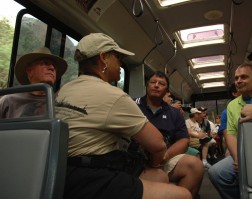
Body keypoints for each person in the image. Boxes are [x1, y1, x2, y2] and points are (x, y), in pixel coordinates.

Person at [55, 33, 192, 199]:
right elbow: (158, 145)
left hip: (61, 171)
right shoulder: (113, 95)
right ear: (103, 57)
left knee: (160, 177)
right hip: (90, 178)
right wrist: (155, 163)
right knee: (183, 195)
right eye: (117, 57)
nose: (120, 63)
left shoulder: (64, 90)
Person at [208, 63, 252, 199]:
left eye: (244, 77)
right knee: (216, 172)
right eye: (236, 78)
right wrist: (237, 158)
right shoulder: (232, 105)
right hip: (246, 151)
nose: (238, 81)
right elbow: (231, 134)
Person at [135, 71, 204, 198]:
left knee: (196, 165)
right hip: (135, 159)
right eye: (153, 82)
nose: (156, 85)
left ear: (166, 90)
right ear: (147, 85)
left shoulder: (174, 113)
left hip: (164, 157)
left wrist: (166, 156)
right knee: (159, 178)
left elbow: (183, 140)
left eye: (161, 84)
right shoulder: (133, 105)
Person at [0, 47, 68, 118]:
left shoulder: (59, 104)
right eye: (45, 63)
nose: (52, 68)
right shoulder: (9, 101)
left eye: (54, 66)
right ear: (30, 71)